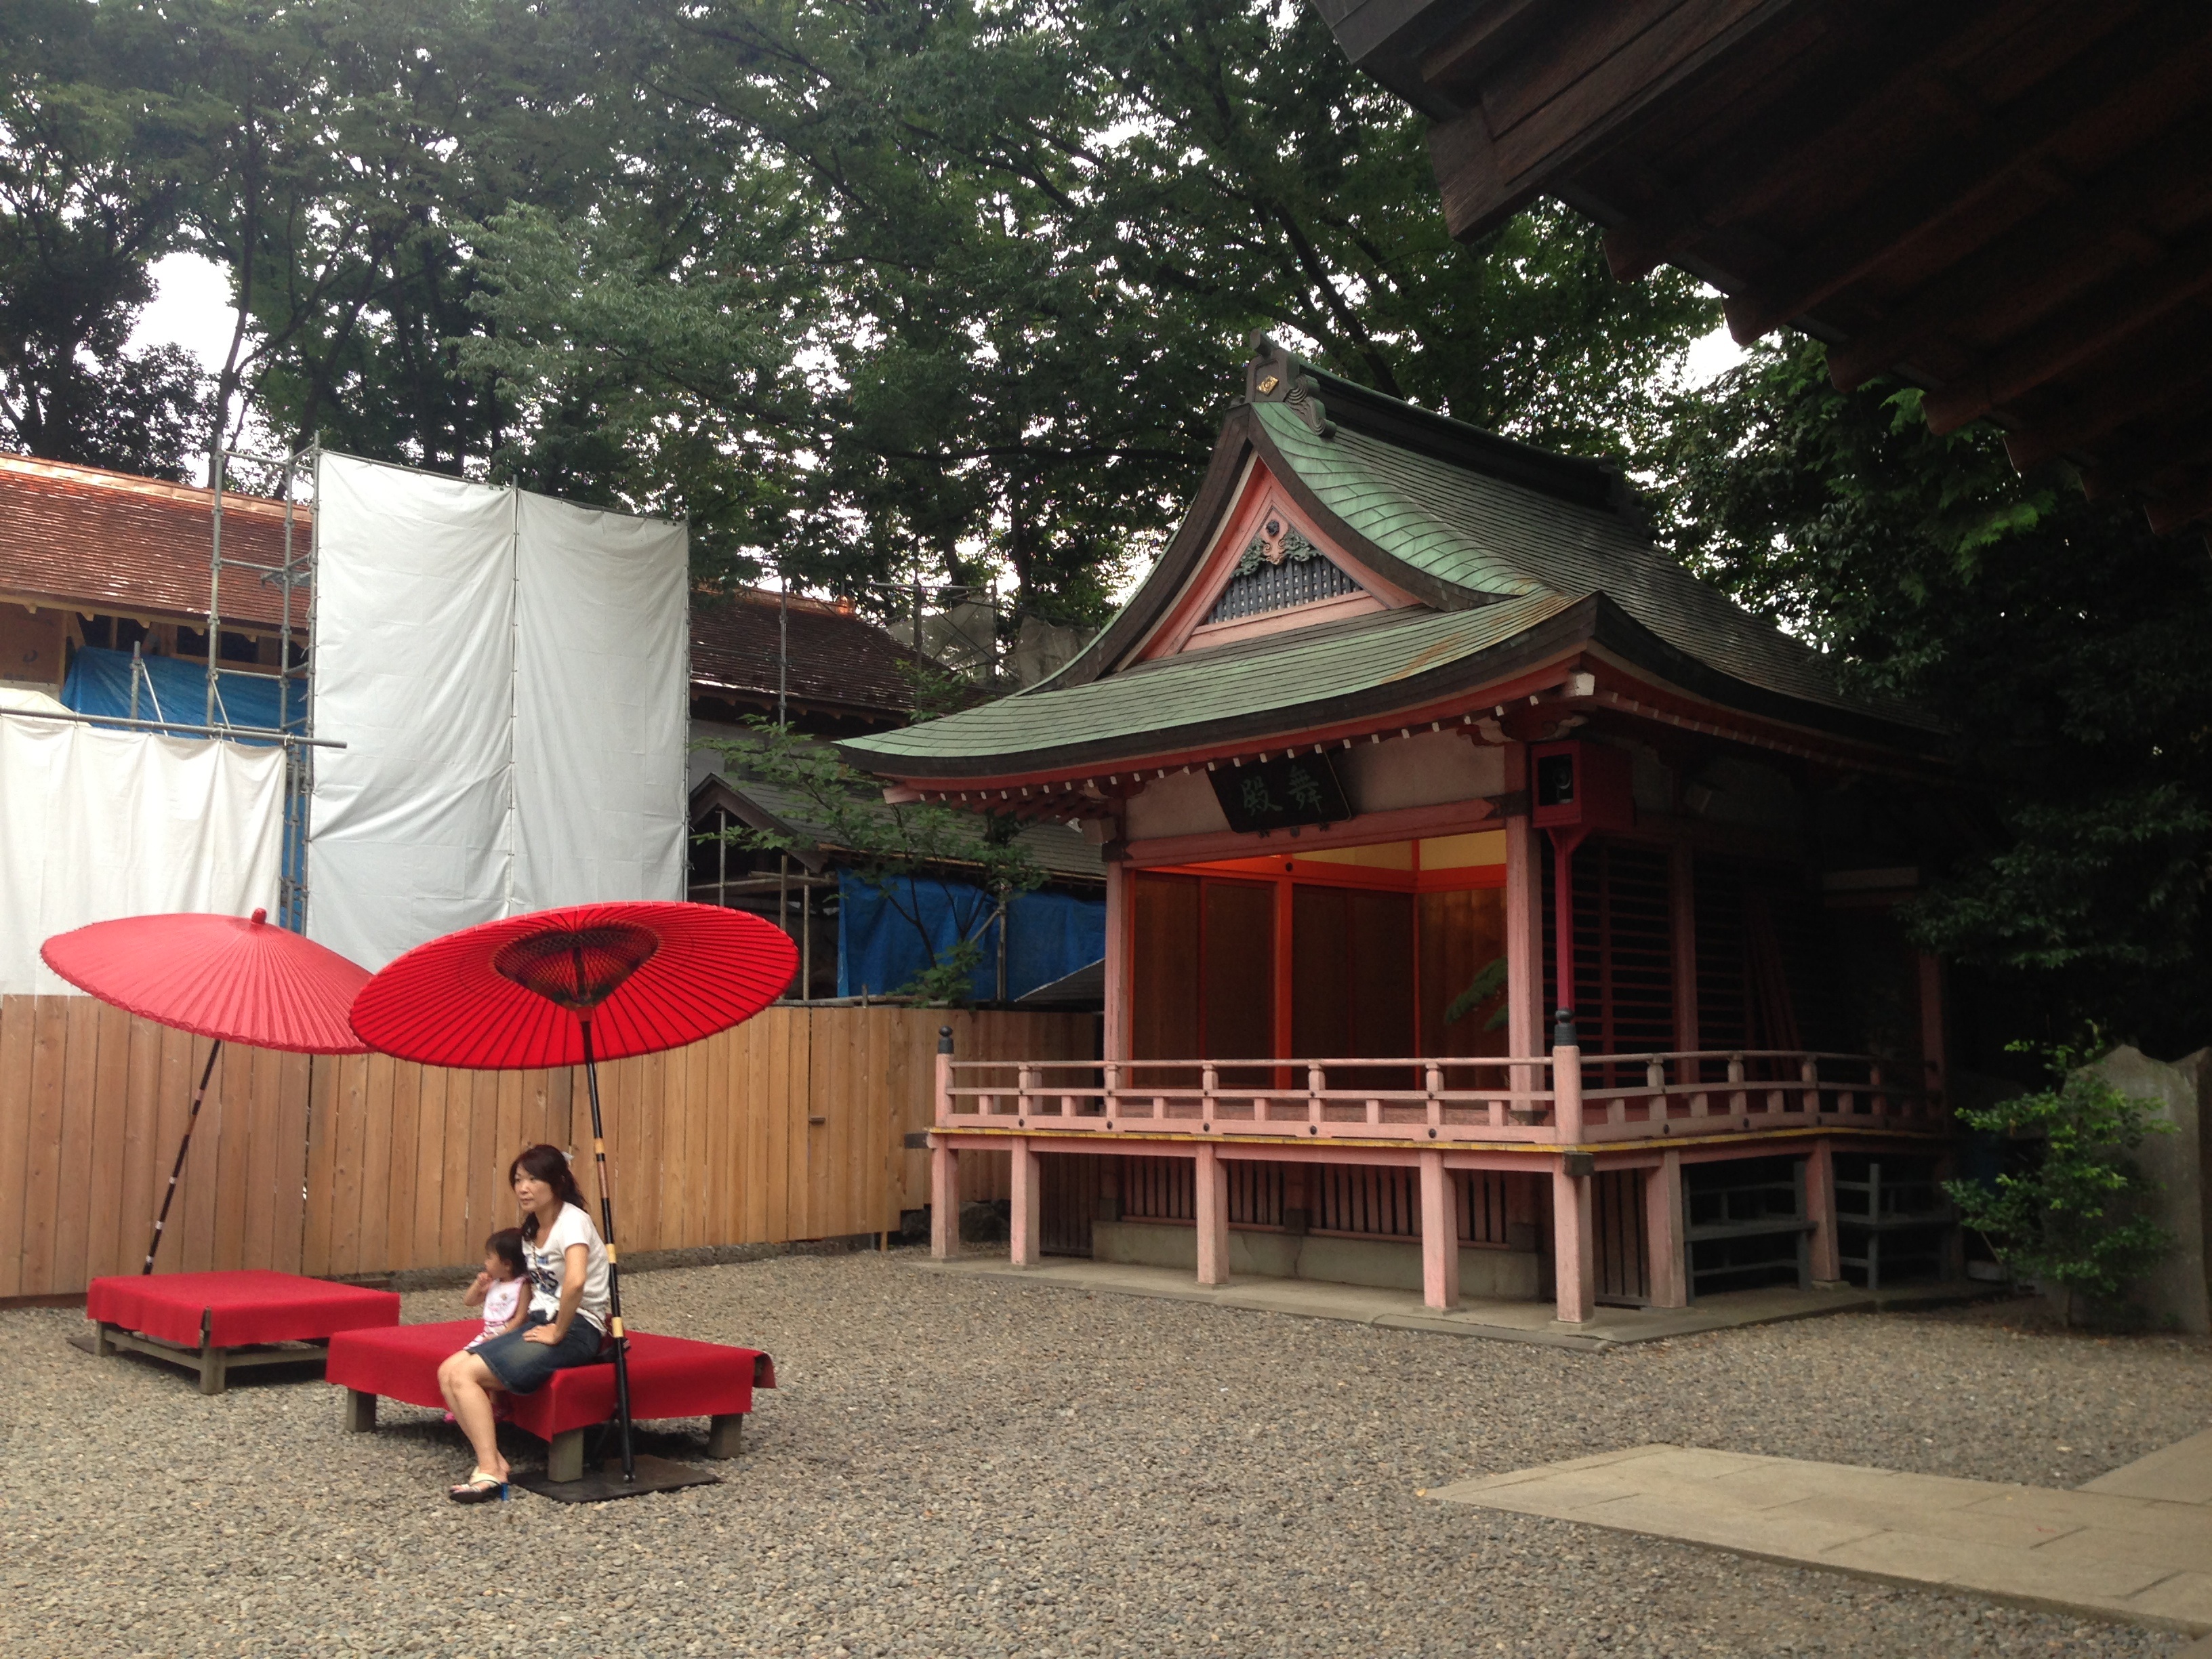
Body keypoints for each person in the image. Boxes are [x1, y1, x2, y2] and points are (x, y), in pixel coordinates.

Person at [434, 1145, 611, 1502]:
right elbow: (534, 1285)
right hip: (538, 1320)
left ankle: (489, 1470)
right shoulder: (531, 1229)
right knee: (448, 1370)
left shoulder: (573, 1220)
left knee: (466, 1376)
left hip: (577, 1327)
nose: (524, 1187)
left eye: (533, 1179)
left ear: (558, 1182)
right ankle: (495, 1461)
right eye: (518, 1180)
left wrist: (559, 1330)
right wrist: (513, 1322)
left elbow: (575, 1282)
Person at [463, 1228, 531, 1350]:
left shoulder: (522, 1285)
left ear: (507, 1265)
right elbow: (469, 1301)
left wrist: (501, 1336)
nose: (485, 1262)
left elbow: (521, 1317)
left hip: (510, 1338)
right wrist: (478, 1284)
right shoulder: (494, 1283)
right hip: (487, 1335)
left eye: (489, 1258)